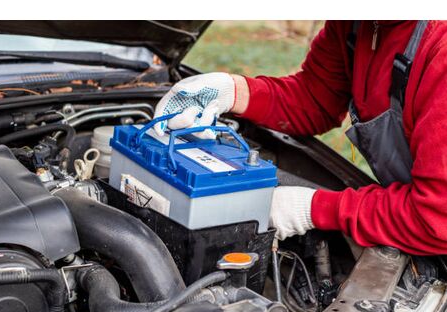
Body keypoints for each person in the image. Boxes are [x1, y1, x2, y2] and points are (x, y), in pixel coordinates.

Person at [153, 21, 447, 255]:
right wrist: (233, 91)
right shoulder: (357, 23)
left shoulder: (439, 47)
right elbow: (316, 98)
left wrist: (312, 208)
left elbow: (437, 218)